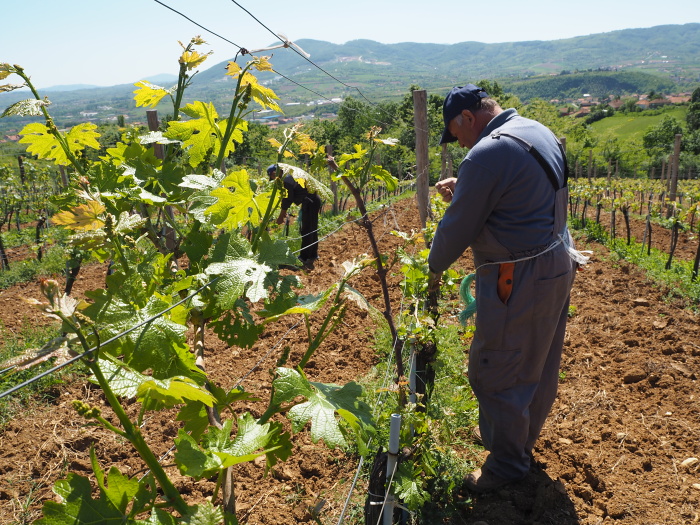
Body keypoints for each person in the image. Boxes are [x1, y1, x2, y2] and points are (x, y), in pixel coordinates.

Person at [427, 84, 588, 493]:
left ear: (468, 117)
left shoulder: (487, 153)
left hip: (519, 276)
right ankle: (520, 447)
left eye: (455, 132)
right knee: (537, 365)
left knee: (498, 367)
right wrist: (468, 184)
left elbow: (456, 230)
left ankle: (505, 467)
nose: (458, 142)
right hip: (554, 260)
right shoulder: (535, 130)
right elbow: (519, 197)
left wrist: (432, 270)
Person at [267, 164, 322, 270]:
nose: (274, 180)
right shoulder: (290, 175)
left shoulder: (286, 179)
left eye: (273, 177)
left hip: (309, 202)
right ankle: (312, 255)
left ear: (275, 173)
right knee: (311, 229)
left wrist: (281, 215)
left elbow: (287, 198)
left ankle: (304, 258)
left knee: (307, 230)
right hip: (313, 200)